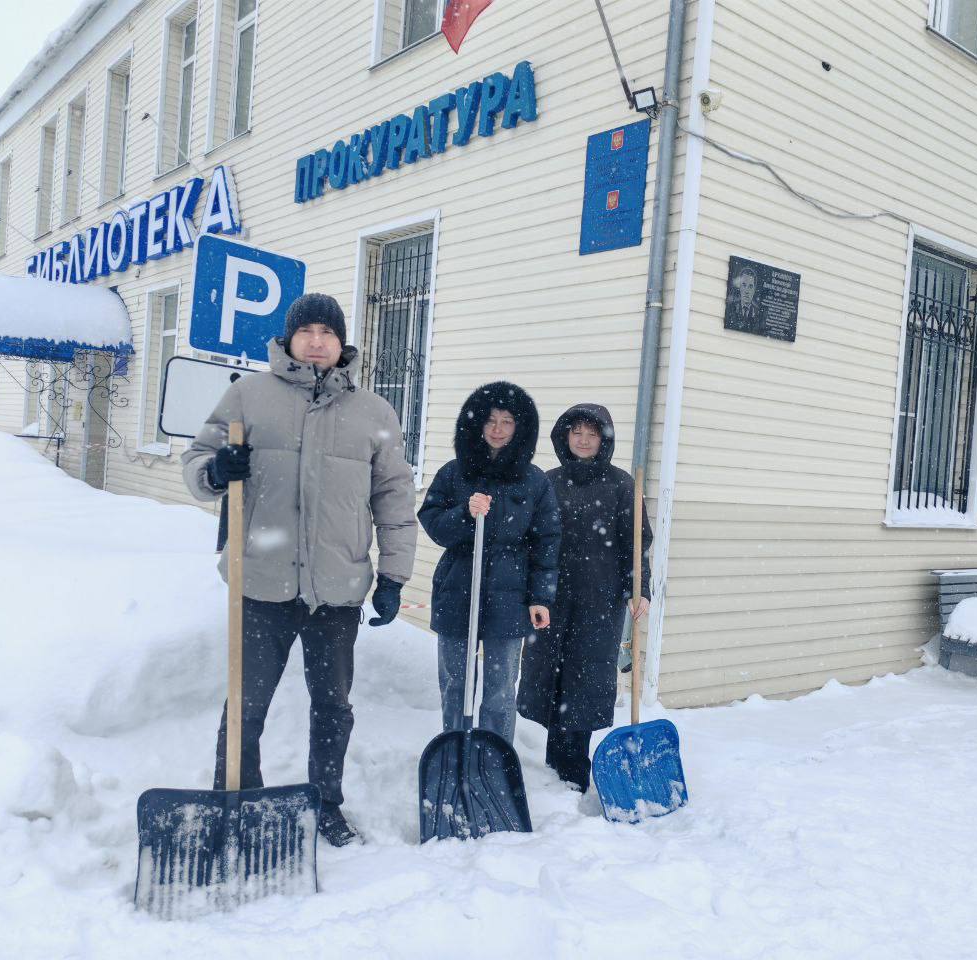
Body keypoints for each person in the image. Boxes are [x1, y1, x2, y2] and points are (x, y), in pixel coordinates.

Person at [182, 293, 418, 847]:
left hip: (336, 587)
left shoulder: (374, 413)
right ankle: (235, 799)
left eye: (328, 333)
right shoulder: (248, 396)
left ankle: (325, 803)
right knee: (246, 702)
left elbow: (394, 497)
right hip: (261, 580)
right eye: (307, 330)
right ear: (288, 339)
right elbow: (196, 462)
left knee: (333, 706)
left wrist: (394, 577)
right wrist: (217, 469)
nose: (317, 341)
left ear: (342, 345)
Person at [517, 404, 651, 792]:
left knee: (586, 681)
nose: (584, 440)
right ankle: (552, 768)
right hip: (552, 600)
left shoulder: (622, 485)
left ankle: (575, 770)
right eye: (577, 432)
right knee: (551, 679)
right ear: (565, 436)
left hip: (600, 601)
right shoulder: (547, 482)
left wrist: (639, 589)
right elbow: (530, 540)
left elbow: (636, 545)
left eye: (592, 434)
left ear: (604, 439)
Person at [418, 382, 560, 744]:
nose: (497, 429)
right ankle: (455, 751)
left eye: (507, 421)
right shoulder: (455, 472)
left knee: (499, 689)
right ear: (477, 425)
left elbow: (546, 542)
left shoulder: (533, 481)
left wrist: (540, 597)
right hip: (457, 590)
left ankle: (494, 759)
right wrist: (464, 515)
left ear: (520, 428)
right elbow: (432, 521)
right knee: (455, 683)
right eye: (491, 420)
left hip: (509, 598)